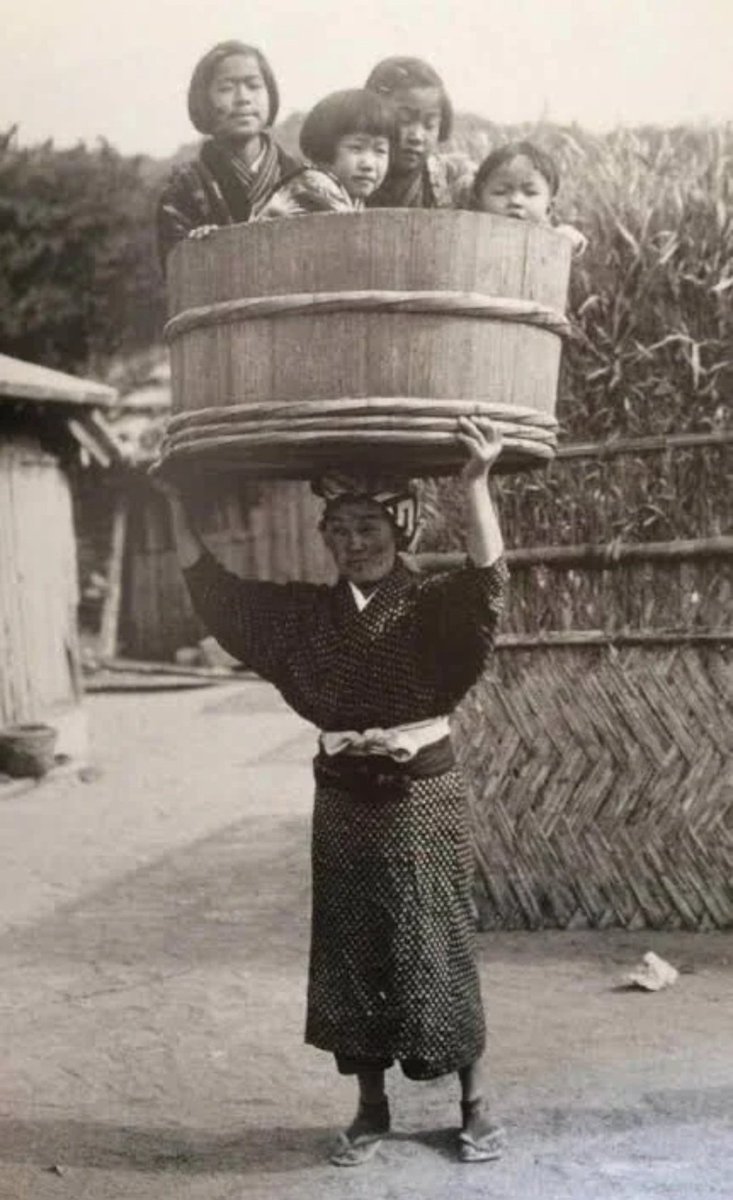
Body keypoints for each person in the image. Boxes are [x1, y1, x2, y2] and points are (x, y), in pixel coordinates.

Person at [157, 417, 508, 1167]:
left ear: (401, 528)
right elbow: (216, 593)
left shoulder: (434, 606)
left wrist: (474, 484)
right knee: (352, 948)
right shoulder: (302, 619)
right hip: (343, 801)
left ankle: (474, 1104)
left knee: (436, 940)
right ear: (326, 538)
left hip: (422, 798)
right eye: (341, 528)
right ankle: (369, 1107)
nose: (356, 542)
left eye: (370, 525)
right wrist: (173, 503)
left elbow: (487, 582)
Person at [156, 41, 298, 267]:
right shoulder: (184, 188)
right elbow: (179, 273)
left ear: (270, 94)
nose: (243, 98)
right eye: (226, 88)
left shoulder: (302, 179)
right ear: (203, 101)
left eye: (253, 85)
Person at [254, 89, 393, 220]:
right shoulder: (314, 189)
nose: (368, 164)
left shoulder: (350, 197)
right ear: (326, 145)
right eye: (356, 148)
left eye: (380, 150)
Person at [364, 56, 475, 209]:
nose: (416, 136)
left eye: (430, 125)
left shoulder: (455, 183)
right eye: (404, 120)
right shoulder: (347, 179)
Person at [472, 140, 588, 255]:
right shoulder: (469, 237)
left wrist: (563, 239)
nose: (515, 201)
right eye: (501, 192)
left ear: (549, 208)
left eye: (530, 193)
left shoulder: (548, 242)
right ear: (480, 202)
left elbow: (568, 238)